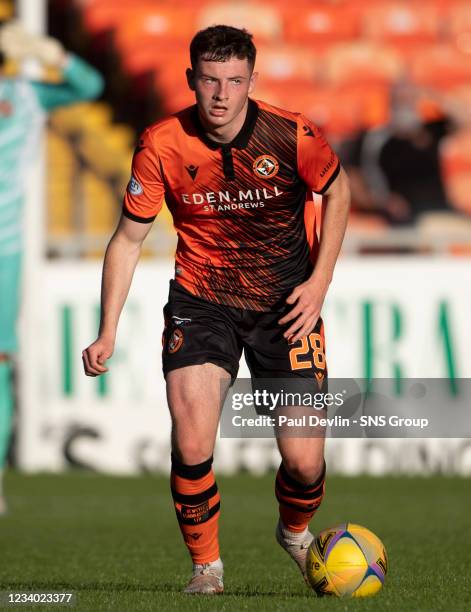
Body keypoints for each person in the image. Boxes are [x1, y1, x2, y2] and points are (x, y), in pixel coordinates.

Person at [82, 25, 350, 594]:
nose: (222, 94)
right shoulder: (161, 143)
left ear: (252, 80)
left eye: (234, 81)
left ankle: (296, 533)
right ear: (191, 80)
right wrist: (107, 330)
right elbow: (128, 240)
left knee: (304, 464)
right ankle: (207, 568)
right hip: (202, 304)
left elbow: (339, 190)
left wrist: (321, 280)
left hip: (287, 307)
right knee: (194, 439)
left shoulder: (291, 134)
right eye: (210, 80)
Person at [0, 20, 104, 515]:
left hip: (5, 249)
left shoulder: (25, 93)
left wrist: (53, 54)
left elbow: (90, 86)